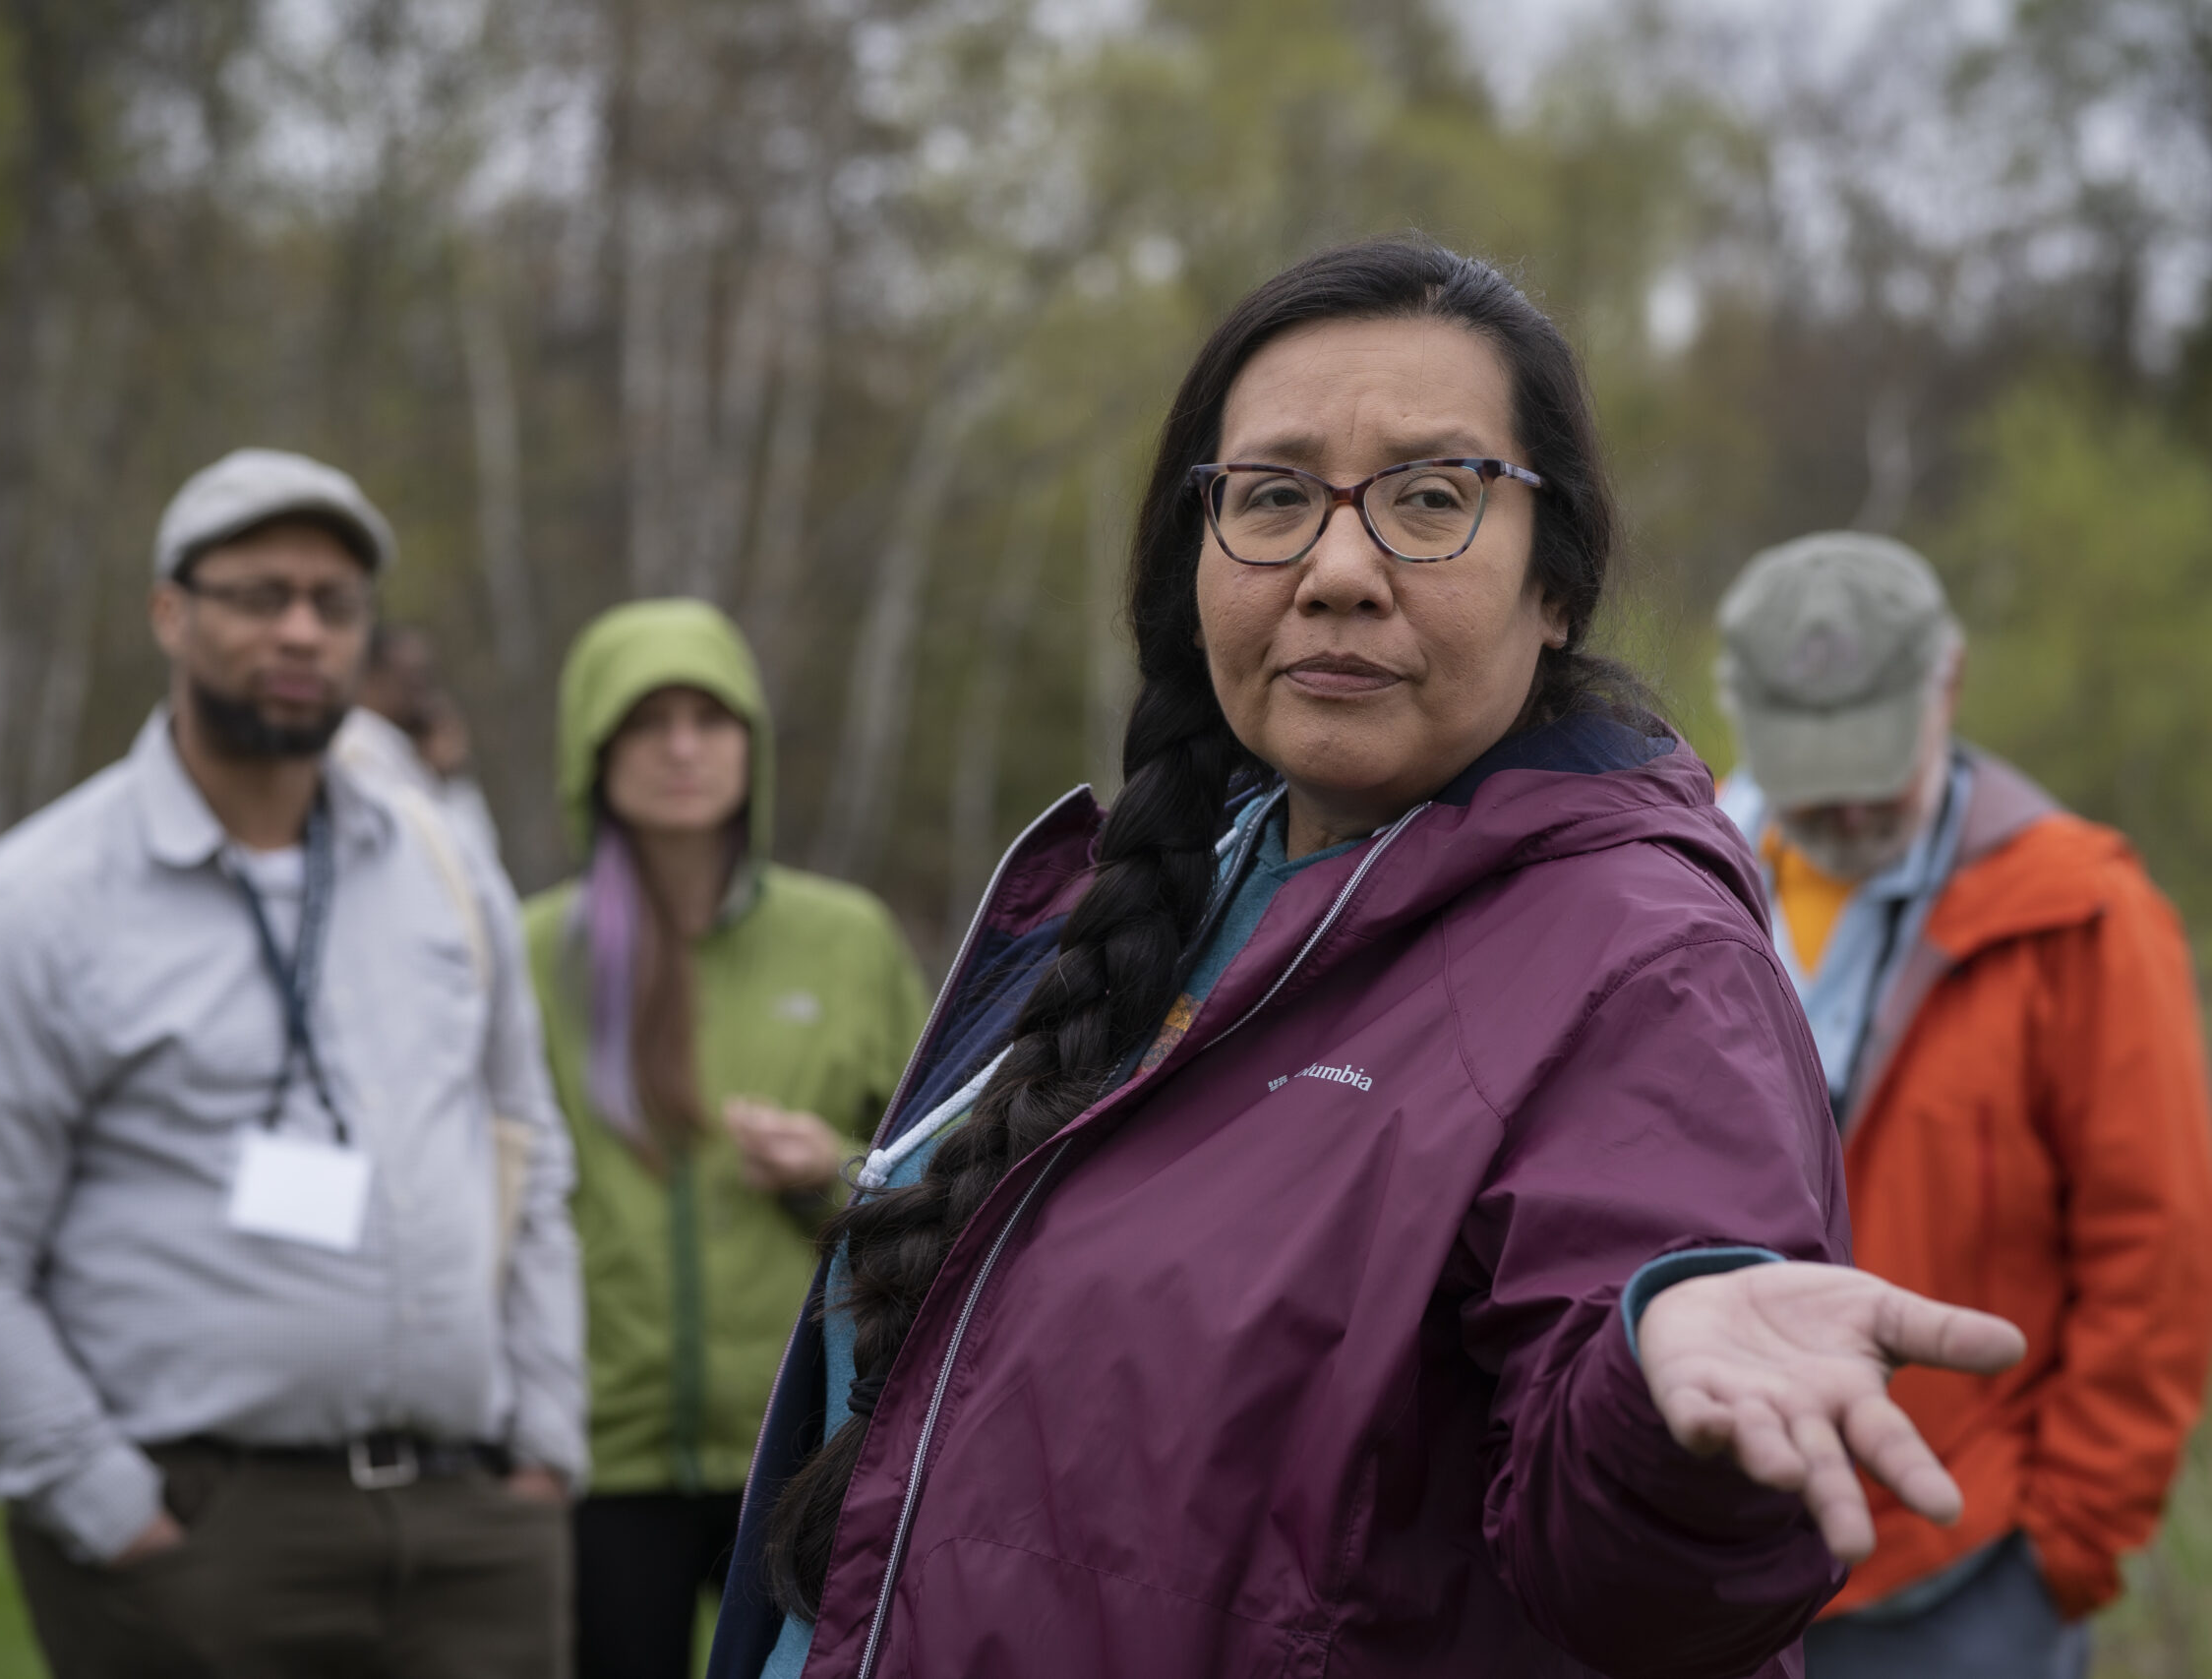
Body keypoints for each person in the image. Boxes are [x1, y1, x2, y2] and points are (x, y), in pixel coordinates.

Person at [707, 240, 2029, 1679]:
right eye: (1273, 497)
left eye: (1431, 498)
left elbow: (1633, 1589)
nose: (1339, 570)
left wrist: (1664, 1425)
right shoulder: (1150, 891)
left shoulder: (1640, 964)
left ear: (1555, 587)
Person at [0, 447, 586, 1679]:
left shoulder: (440, 867)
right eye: (262, 596)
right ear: (171, 613)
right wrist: (114, 1512)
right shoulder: (33, 906)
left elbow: (524, 1154)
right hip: (199, 1539)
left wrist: (543, 1447)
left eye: (335, 603)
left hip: (474, 1533)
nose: (303, 631)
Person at [1709, 532, 2212, 1679]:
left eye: (1871, 759)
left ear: (1947, 686)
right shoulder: (1661, 878)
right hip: (1696, 1568)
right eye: (1811, 765)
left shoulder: (2084, 917)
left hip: (1953, 1579)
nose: (1843, 805)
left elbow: (2153, 1254)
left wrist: (2065, 1549)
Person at [522, 599, 928, 1679]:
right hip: (599, 1453)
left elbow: (948, 1170)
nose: (683, 748)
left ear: (752, 744)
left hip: (802, 1441)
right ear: (591, 752)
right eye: (647, 721)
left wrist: (830, 1168)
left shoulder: (847, 939)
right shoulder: (530, 955)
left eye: (711, 718)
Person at [336, 621, 505, 864]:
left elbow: (483, 858)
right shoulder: (356, 753)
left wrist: (450, 776)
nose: (426, 696)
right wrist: (445, 778)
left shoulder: (402, 749)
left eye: (428, 678)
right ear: (371, 679)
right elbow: (449, 856)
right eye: (411, 679)